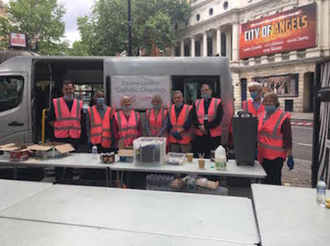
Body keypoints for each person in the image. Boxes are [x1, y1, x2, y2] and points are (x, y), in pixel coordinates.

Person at [48, 81, 84, 183]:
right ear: (63, 90)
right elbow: (50, 120)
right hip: (60, 137)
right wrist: (59, 126)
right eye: (66, 89)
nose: (68, 91)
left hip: (73, 137)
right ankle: (59, 180)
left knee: (71, 161)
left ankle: (69, 180)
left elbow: (81, 119)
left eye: (70, 89)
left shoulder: (79, 103)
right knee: (59, 161)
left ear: (73, 90)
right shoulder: (56, 102)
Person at [258, 92, 294, 185]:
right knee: (264, 180)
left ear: (276, 103)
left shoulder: (283, 117)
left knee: (274, 181)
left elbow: (287, 138)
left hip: (276, 157)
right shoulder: (261, 115)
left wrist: (290, 155)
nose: (267, 104)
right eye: (265, 102)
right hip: (262, 154)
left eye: (270, 101)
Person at [192, 84, 223, 158]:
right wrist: (200, 127)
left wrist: (206, 127)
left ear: (211, 91)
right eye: (202, 91)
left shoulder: (217, 102)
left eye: (206, 90)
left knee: (214, 156)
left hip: (213, 135)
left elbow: (218, 118)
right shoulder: (197, 102)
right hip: (200, 134)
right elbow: (193, 117)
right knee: (201, 156)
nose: (204, 92)